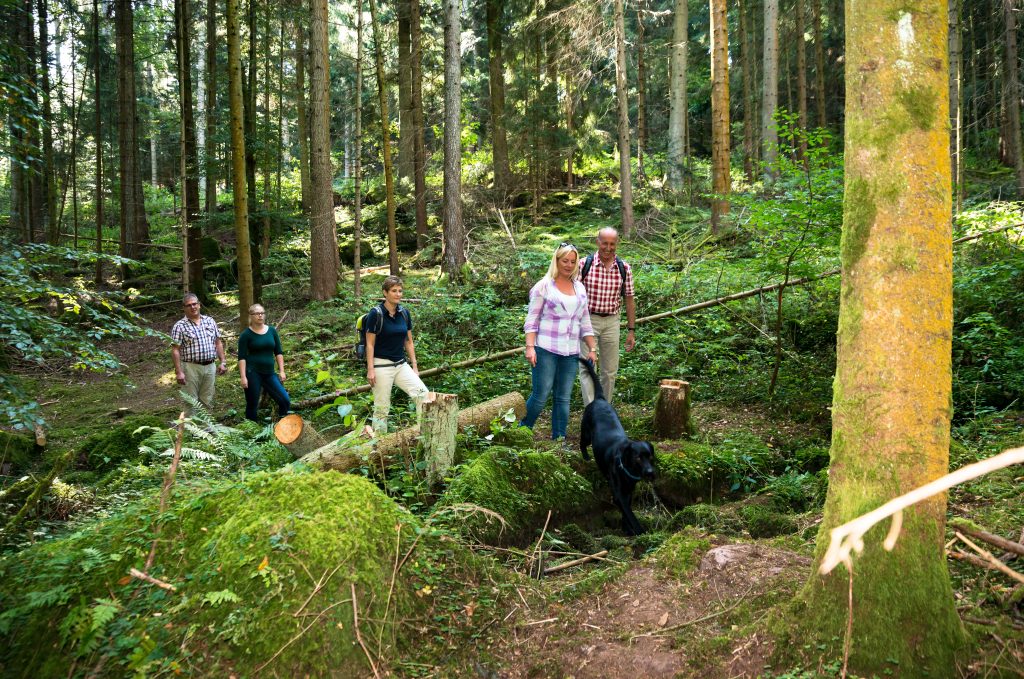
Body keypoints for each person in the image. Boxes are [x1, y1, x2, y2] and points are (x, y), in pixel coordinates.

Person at [521, 242, 598, 440]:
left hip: (570, 352)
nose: (569, 265)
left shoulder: (579, 288)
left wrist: (592, 347)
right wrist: (530, 347)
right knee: (540, 395)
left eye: (573, 261)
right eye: (565, 261)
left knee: (563, 398)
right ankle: (520, 432)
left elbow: (585, 320)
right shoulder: (543, 287)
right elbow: (532, 321)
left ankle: (559, 439)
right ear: (556, 261)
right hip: (545, 348)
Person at [577, 227, 636, 406]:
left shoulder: (623, 268)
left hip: (612, 322)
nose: (608, 248)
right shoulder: (583, 264)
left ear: (617, 243)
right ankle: (591, 411)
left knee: (609, 371)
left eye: (612, 244)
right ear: (598, 242)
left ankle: (604, 409)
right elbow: (573, 295)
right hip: (588, 321)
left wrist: (631, 330)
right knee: (587, 368)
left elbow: (629, 299)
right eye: (605, 243)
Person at [365, 276, 430, 435]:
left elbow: (408, 342)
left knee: (423, 394)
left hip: (401, 365)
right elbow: (370, 344)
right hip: (381, 366)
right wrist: (371, 369)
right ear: (385, 293)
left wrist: (414, 366)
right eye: (394, 291)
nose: (398, 294)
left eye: (400, 291)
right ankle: (379, 445)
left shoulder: (404, 313)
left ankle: (425, 434)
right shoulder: (376, 314)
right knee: (382, 408)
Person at [171, 293, 227, 414]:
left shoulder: (210, 321)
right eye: (189, 305)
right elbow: (175, 349)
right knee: (190, 400)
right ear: (184, 308)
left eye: (194, 304)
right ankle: (193, 431)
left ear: (199, 305)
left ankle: (206, 430)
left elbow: (218, 342)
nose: (193, 307)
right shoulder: (179, 326)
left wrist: (223, 362)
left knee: (207, 399)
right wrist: (179, 371)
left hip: (210, 366)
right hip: (190, 367)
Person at [238, 303, 290, 422]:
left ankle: (282, 426)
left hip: (269, 373)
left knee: (284, 400)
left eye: (262, 313)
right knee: (252, 403)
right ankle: (252, 431)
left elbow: (279, 352)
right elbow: (241, 357)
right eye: (257, 313)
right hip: (252, 373)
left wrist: (282, 371)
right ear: (251, 316)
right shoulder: (245, 335)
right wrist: (243, 377)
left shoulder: (271, 331)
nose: (260, 315)